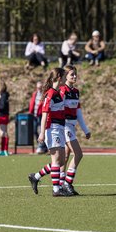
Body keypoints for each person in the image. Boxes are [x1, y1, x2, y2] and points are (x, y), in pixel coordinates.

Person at [28, 68, 71, 197]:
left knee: (61, 160)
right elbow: (44, 115)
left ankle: (35, 177)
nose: (65, 79)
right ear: (59, 77)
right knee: (57, 161)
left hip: (60, 128)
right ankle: (56, 190)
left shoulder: (58, 93)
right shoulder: (50, 94)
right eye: (64, 76)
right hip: (52, 129)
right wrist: (42, 133)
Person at [59, 65, 91, 195]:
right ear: (65, 76)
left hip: (71, 126)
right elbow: (58, 109)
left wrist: (85, 129)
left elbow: (78, 112)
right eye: (72, 74)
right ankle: (67, 183)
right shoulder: (63, 90)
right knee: (78, 154)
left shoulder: (76, 91)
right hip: (64, 125)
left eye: (75, 74)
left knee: (65, 157)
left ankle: (59, 184)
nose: (74, 76)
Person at [28, 81, 47, 154]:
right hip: (34, 115)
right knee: (35, 131)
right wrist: (30, 112)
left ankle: (42, 146)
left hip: (41, 115)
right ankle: (40, 145)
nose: (39, 89)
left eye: (40, 87)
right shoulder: (35, 94)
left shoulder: (44, 94)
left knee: (40, 131)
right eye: (38, 87)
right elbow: (32, 103)